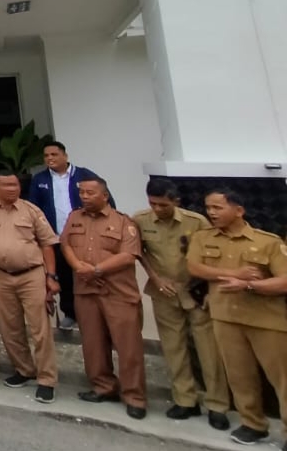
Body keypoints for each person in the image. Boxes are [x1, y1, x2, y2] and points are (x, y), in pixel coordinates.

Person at [187, 188, 287, 447]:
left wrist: (250, 285)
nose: (211, 212)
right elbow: (194, 267)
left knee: (282, 379)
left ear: (239, 210)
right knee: (239, 377)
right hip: (225, 318)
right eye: (208, 207)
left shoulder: (268, 241)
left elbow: (284, 281)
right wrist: (236, 274)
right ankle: (253, 425)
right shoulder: (202, 238)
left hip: (266, 321)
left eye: (217, 207)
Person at [133, 177, 230, 430]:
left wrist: (209, 290)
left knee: (208, 351)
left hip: (195, 292)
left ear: (175, 201)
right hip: (164, 293)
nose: (157, 209)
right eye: (153, 204)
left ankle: (217, 405)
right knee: (173, 349)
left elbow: (212, 255)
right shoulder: (140, 220)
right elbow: (139, 252)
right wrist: (155, 278)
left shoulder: (196, 221)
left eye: (163, 205)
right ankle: (185, 400)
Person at [60, 174, 147, 419]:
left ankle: (135, 396)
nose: (85, 197)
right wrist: (79, 267)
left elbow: (129, 255)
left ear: (105, 195)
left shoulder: (123, 222)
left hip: (117, 292)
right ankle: (103, 386)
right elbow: (65, 244)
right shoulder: (74, 217)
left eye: (90, 193)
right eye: (82, 193)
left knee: (128, 347)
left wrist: (96, 270)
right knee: (93, 343)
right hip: (85, 291)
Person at [0, 171, 61, 404]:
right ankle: (24, 369)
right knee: (10, 328)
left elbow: (47, 244)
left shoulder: (31, 211)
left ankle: (46, 380)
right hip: (2, 276)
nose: (12, 189)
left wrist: (51, 276)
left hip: (31, 275)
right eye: (6, 185)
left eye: (15, 185)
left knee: (40, 330)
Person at [27, 141, 103, 331]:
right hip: (56, 238)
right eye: (46, 155)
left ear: (65, 156)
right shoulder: (39, 179)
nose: (50, 158)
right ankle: (70, 313)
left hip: (84, 237)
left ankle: (96, 314)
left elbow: (104, 199)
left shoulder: (84, 175)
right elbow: (33, 208)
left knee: (88, 273)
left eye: (54, 154)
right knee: (65, 277)